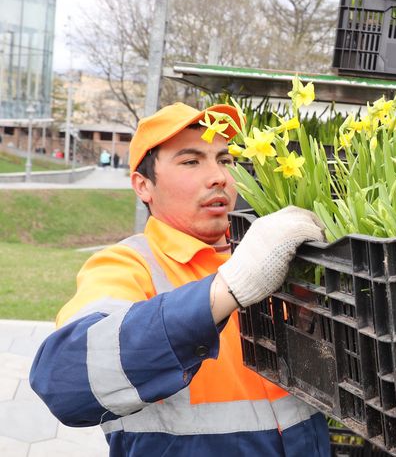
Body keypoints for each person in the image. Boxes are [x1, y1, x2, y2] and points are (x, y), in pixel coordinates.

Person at [29, 103, 330, 456]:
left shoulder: (273, 256)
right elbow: (65, 380)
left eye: (225, 160)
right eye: (191, 161)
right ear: (143, 185)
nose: (218, 176)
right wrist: (227, 290)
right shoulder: (126, 265)